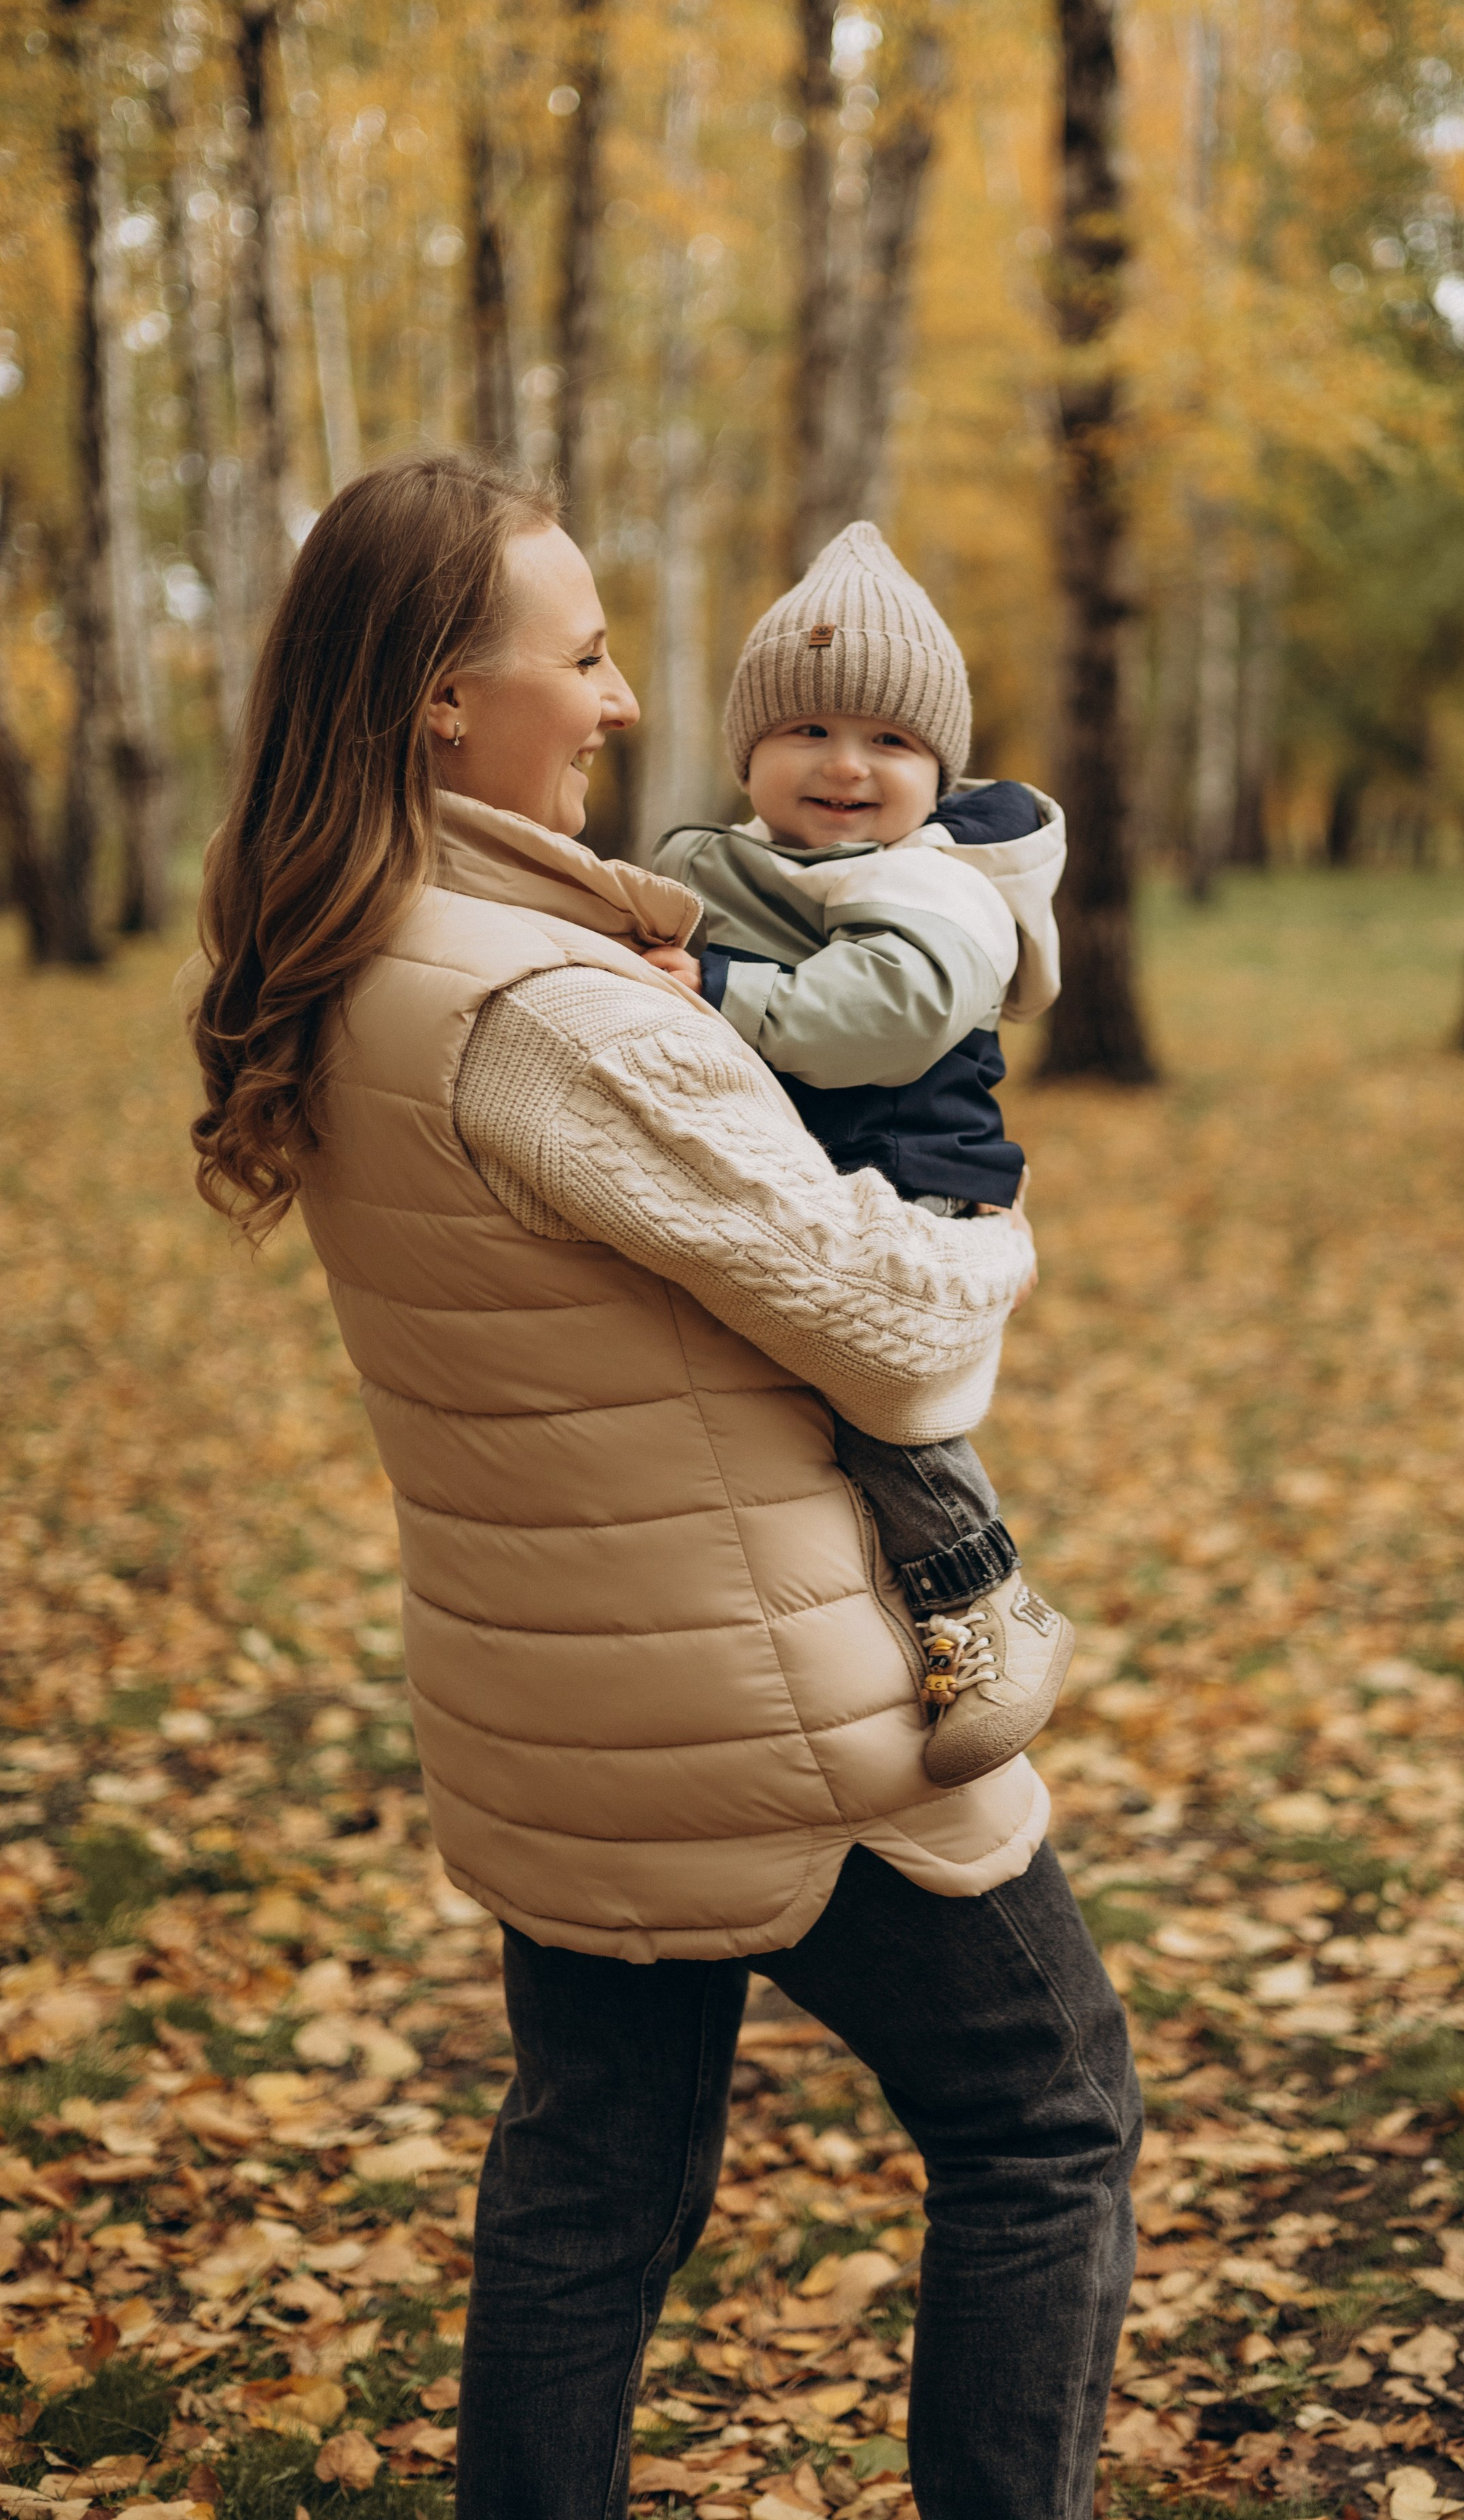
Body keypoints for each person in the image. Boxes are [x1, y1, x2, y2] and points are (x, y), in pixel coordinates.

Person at [185, 453, 1140, 2520]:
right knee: (1046, 2117)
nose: (623, 700)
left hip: (554, 1701)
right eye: (589, 653)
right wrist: (997, 1243)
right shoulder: (555, 1016)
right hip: (765, 1700)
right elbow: (899, 1333)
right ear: (446, 697)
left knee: (594, 2190)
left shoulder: (363, 955)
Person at [652, 520, 1074, 1790]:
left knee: (875, 1401)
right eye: (809, 732)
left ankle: (988, 1594)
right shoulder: (772, 863)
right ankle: (906, 1611)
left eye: (890, 740)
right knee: (813, 1413)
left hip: (911, 1180)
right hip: (843, 1173)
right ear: (752, 750)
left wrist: (715, 986)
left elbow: (881, 1020)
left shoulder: (932, 884)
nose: (847, 766)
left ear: (937, 771)